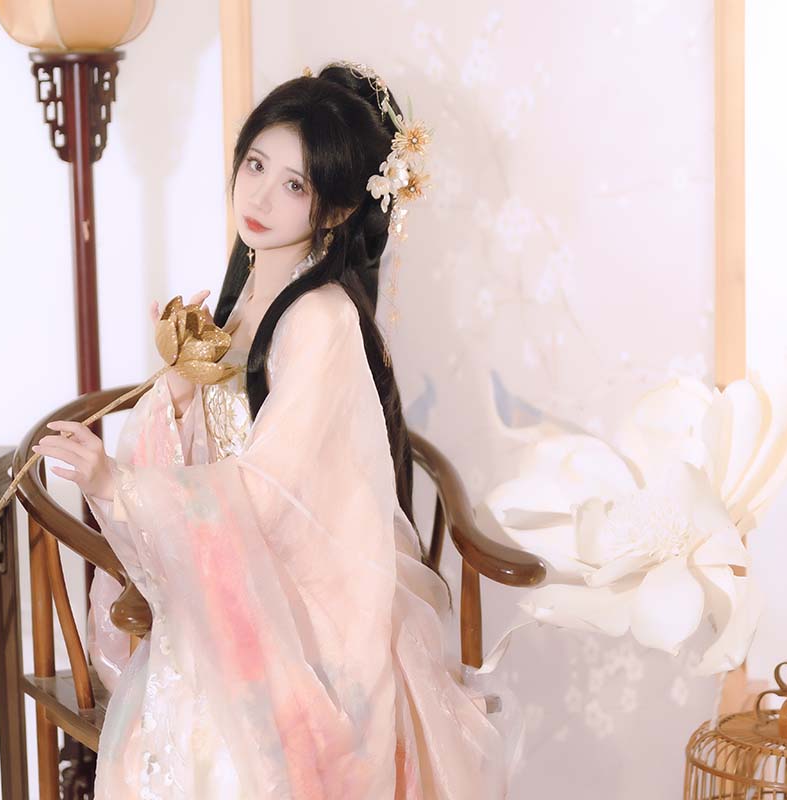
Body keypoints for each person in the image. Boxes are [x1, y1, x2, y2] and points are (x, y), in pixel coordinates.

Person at [31, 62, 509, 799]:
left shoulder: (320, 320)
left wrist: (117, 484)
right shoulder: (247, 297)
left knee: (205, 745)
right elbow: (219, 455)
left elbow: (270, 494)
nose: (258, 196)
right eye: (255, 164)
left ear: (337, 210)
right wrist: (180, 389)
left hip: (307, 601)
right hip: (246, 577)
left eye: (294, 185)